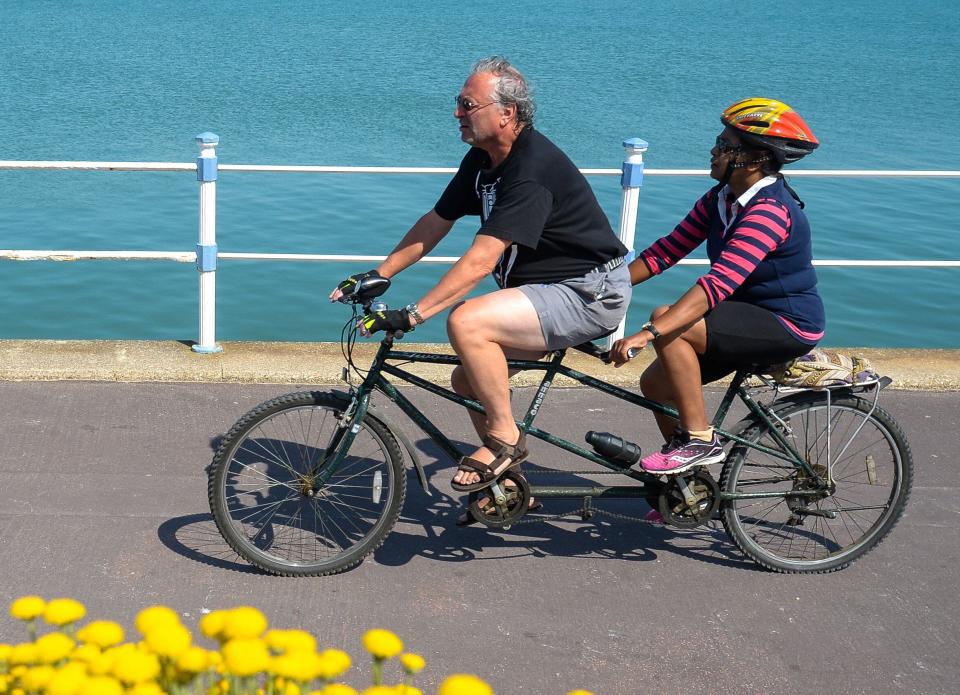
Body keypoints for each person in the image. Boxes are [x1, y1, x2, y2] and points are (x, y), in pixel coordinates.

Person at [331, 56, 631, 494]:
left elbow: (481, 261)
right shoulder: (483, 158)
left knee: (467, 321)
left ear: (507, 113)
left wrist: (414, 314)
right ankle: (511, 486)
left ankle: (504, 438)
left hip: (588, 293)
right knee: (467, 379)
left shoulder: (532, 171)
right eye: (459, 103)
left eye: (467, 105)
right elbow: (437, 220)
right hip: (545, 291)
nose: (457, 114)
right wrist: (380, 273)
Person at [610, 97, 824, 475]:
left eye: (725, 146)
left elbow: (718, 283)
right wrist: (598, 287)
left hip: (786, 322)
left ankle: (699, 439)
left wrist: (647, 333)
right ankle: (688, 490)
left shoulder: (769, 210)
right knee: (656, 388)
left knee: (669, 321)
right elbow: (665, 252)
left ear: (755, 159)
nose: (713, 151)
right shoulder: (721, 199)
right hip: (741, 316)